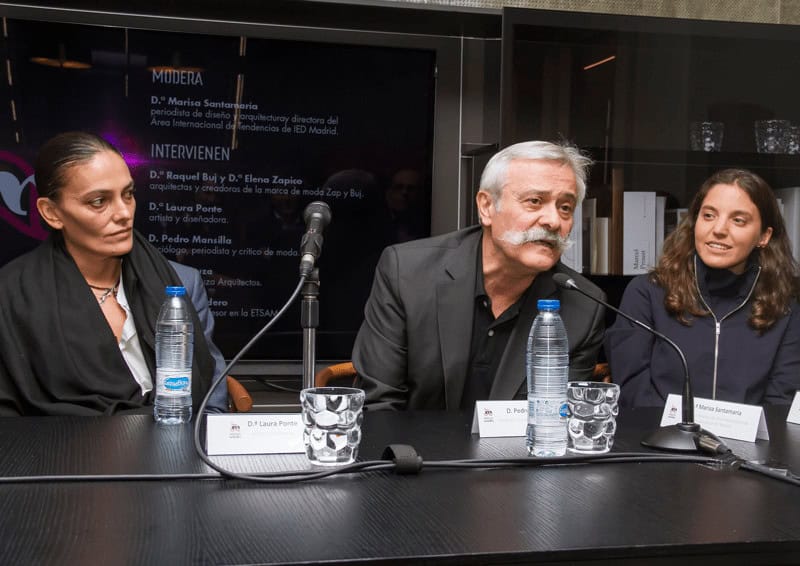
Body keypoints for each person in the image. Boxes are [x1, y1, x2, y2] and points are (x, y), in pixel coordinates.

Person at [352, 140, 606, 410]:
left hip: (521, 440)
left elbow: (556, 417)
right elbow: (379, 406)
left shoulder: (583, 306)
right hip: (412, 439)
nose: (553, 221)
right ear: (486, 207)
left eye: (565, 207)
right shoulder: (408, 274)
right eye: (535, 201)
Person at [0, 132, 229, 415]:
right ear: (51, 213)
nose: (124, 213)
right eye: (98, 201)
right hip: (64, 443)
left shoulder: (181, 284)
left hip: (176, 438)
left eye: (128, 194)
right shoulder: (12, 298)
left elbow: (212, 399)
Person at [605, 168, 800, 407]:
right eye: (708, 215)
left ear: (764, 236)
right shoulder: (646, 293)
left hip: (752, 433)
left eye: (738, 220)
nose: (719, 229)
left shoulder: (785, 306)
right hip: (657, 430)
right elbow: (633, 391)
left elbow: (781, 402)